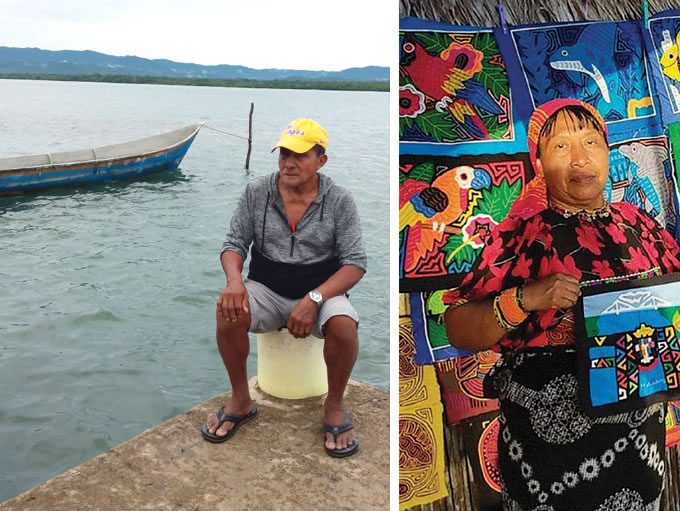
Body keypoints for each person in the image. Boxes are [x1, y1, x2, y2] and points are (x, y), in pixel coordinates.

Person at [444, 98, 680, 510]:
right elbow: (459, 327)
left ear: (609, 151)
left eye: (591, 142)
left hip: (638, 438)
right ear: (538, 161)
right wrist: (525, 298)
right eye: (561, 147)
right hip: (550, 446)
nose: (580, 159)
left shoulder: (638, 225)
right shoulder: (520, 233)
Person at [201, 118, 367, 458]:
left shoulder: (340, 201)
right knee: (228, 312)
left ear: (321, 160)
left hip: (322, 291)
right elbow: (234, 244)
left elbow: (355, 263)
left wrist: (314, 298)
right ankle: (240, 400)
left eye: (300, 155)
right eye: (284, 154)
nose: (289, 163)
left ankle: (334, 405)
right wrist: (234, 281)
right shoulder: (257, 192)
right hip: (266, 286)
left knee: (344, 325)